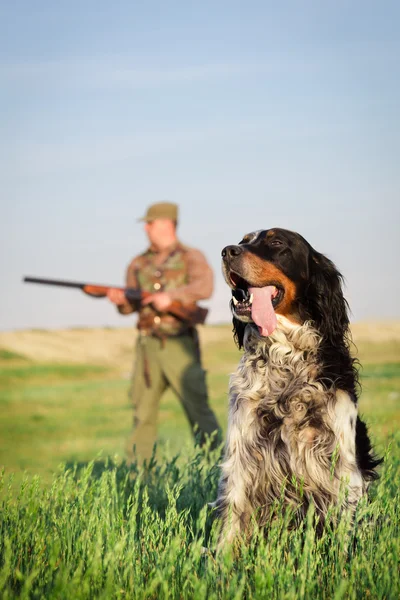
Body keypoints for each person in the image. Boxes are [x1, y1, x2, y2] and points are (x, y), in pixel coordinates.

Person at [107, 202, 220, 463]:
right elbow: (129, 306)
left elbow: (204, 287)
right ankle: (138, 477)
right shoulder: (138, 262)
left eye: (150, 222)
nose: (146, 228)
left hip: (180, 345)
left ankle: (218, 470)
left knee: (199, 412)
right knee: (142, 413)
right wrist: (120, 300)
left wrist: (171, 297)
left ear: (168, 224)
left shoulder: (191, 256)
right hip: (148, 347)